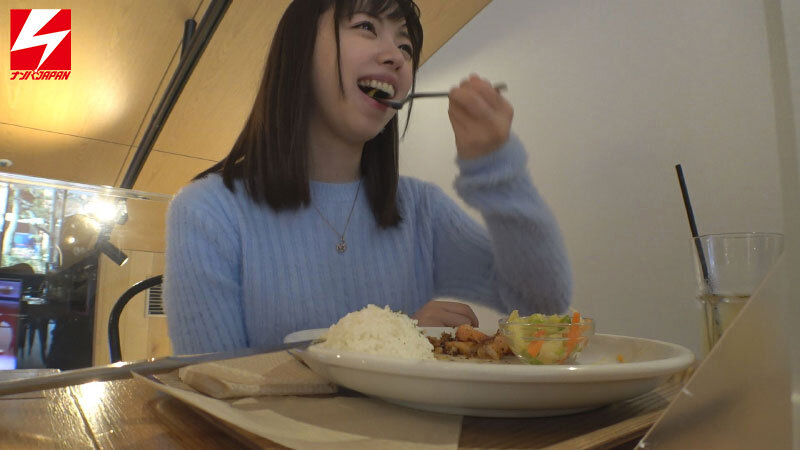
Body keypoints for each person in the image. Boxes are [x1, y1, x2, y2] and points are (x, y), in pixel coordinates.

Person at [164, 0, 572, 355]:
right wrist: (397, 339)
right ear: (300, 47)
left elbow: (543, 300)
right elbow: (215, 386)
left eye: (406, 46)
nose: (396, 57)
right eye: (365, 26)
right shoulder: (207, 212)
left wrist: (495, 167)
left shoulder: (420, 209)